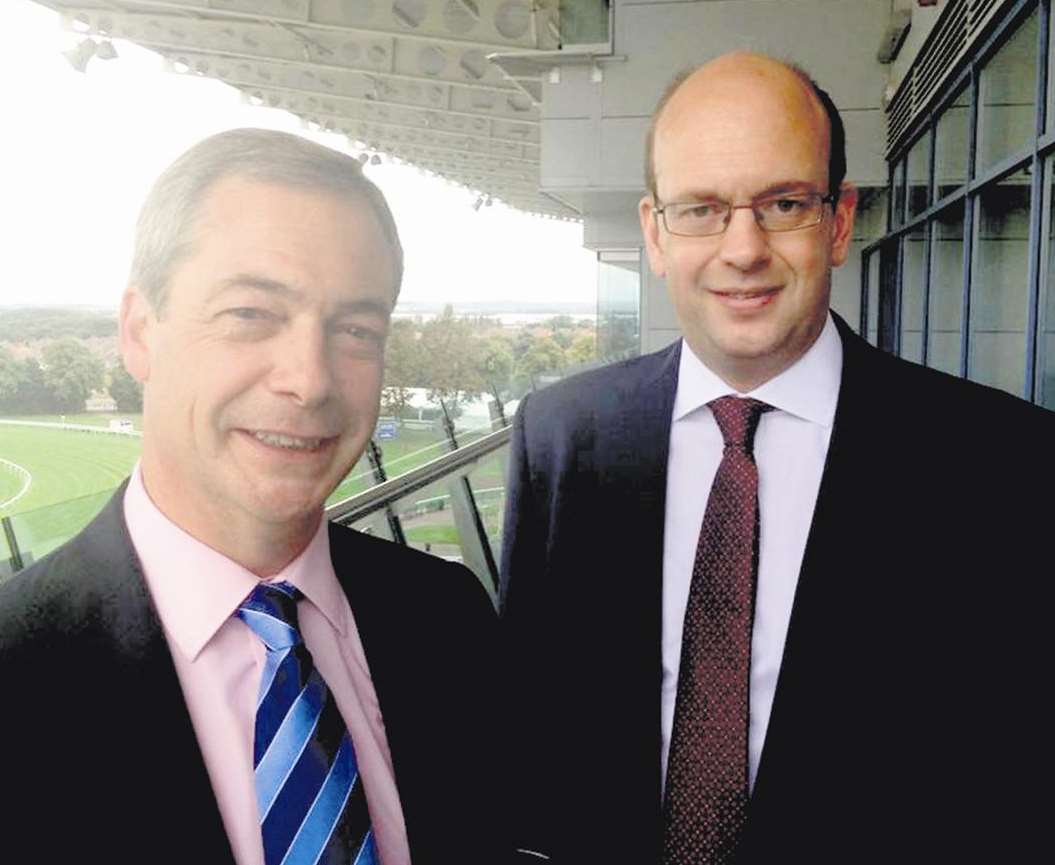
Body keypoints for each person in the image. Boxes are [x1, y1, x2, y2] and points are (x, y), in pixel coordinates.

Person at [499, 52, 1054, 863]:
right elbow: (529, 727)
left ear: (837, 223)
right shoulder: (562, 437)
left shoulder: (1005, 465)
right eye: (701, 209)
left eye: (783, 202)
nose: (743, 248)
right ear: (654, 233)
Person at [0, 129, 502, 865]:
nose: (311, 378)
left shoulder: (446, 616)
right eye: (249, 314)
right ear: (140, 331)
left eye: (355, 328)